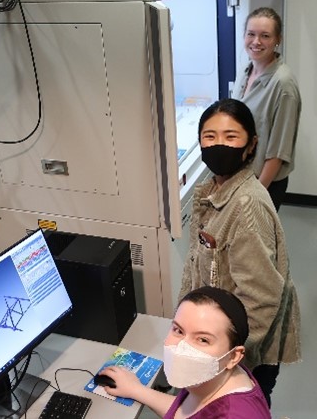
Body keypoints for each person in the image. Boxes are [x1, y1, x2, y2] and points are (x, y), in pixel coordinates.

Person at [178, 98, 301, 407]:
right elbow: (196, 266)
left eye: (231, 137)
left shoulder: (245, 206)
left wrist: (227, 359)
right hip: (217, 343)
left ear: (251, 145)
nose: (219, 145)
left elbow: (261, 299)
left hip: (240, 354)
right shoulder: (212, 190)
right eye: (210, 137)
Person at [98, 286, 272, 418]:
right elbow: (185, 411)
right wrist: (136, 390)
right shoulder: (213, 380)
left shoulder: (233, 414)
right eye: (178, 330)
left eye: (203, 340)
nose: (182, 348)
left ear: (233, 356)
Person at [232, 7, 301, 211]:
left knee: (259, 241)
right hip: (240, 177)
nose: (256, 41)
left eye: (265, 36)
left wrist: (256, 195)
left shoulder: (283, 85)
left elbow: (278, 152)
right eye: (251, 34)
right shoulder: (246, 70)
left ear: (277, 39)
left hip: (264, 184)